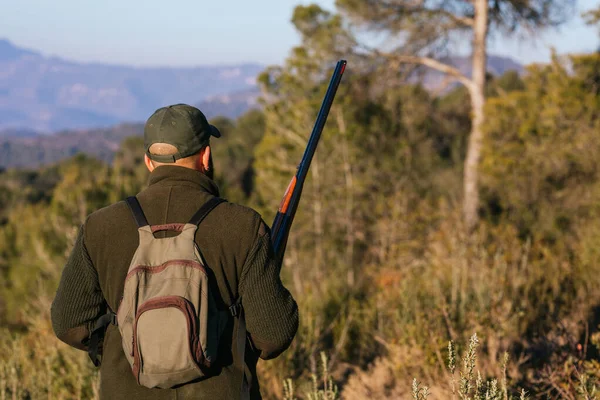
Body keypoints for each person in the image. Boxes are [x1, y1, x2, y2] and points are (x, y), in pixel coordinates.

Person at [51, 104, 299, 399]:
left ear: (148, 162)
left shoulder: (100, 226)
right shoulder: (242, 226)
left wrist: (128, 339)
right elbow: (273, 335)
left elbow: (68, 322)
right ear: (206, 156)